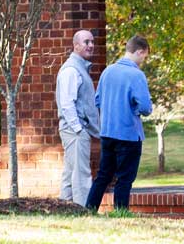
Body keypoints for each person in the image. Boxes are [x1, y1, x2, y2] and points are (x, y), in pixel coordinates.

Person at [84, 35, 153, 213]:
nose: (143, 61)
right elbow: (145, 107)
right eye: (144, 56)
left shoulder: (108, 71)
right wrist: (135, 110)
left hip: (107, 133)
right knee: (125, 178)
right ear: (139, 51)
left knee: (103, 176)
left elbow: (97, 100)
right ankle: (121, 213)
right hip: (129, 134)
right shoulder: (137, 75)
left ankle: (89, 210)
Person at [56, 29, 99, 206]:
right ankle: (84, 211)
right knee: (81, 173)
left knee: (70, 171)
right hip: (75, 130)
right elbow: (67, 103)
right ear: (75, 46)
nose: (90, 45)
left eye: (92, 42)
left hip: (75, 130)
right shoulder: (71, 70)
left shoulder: (79, 68)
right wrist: (78, 129)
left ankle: (64, 208)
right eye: (86, 42)